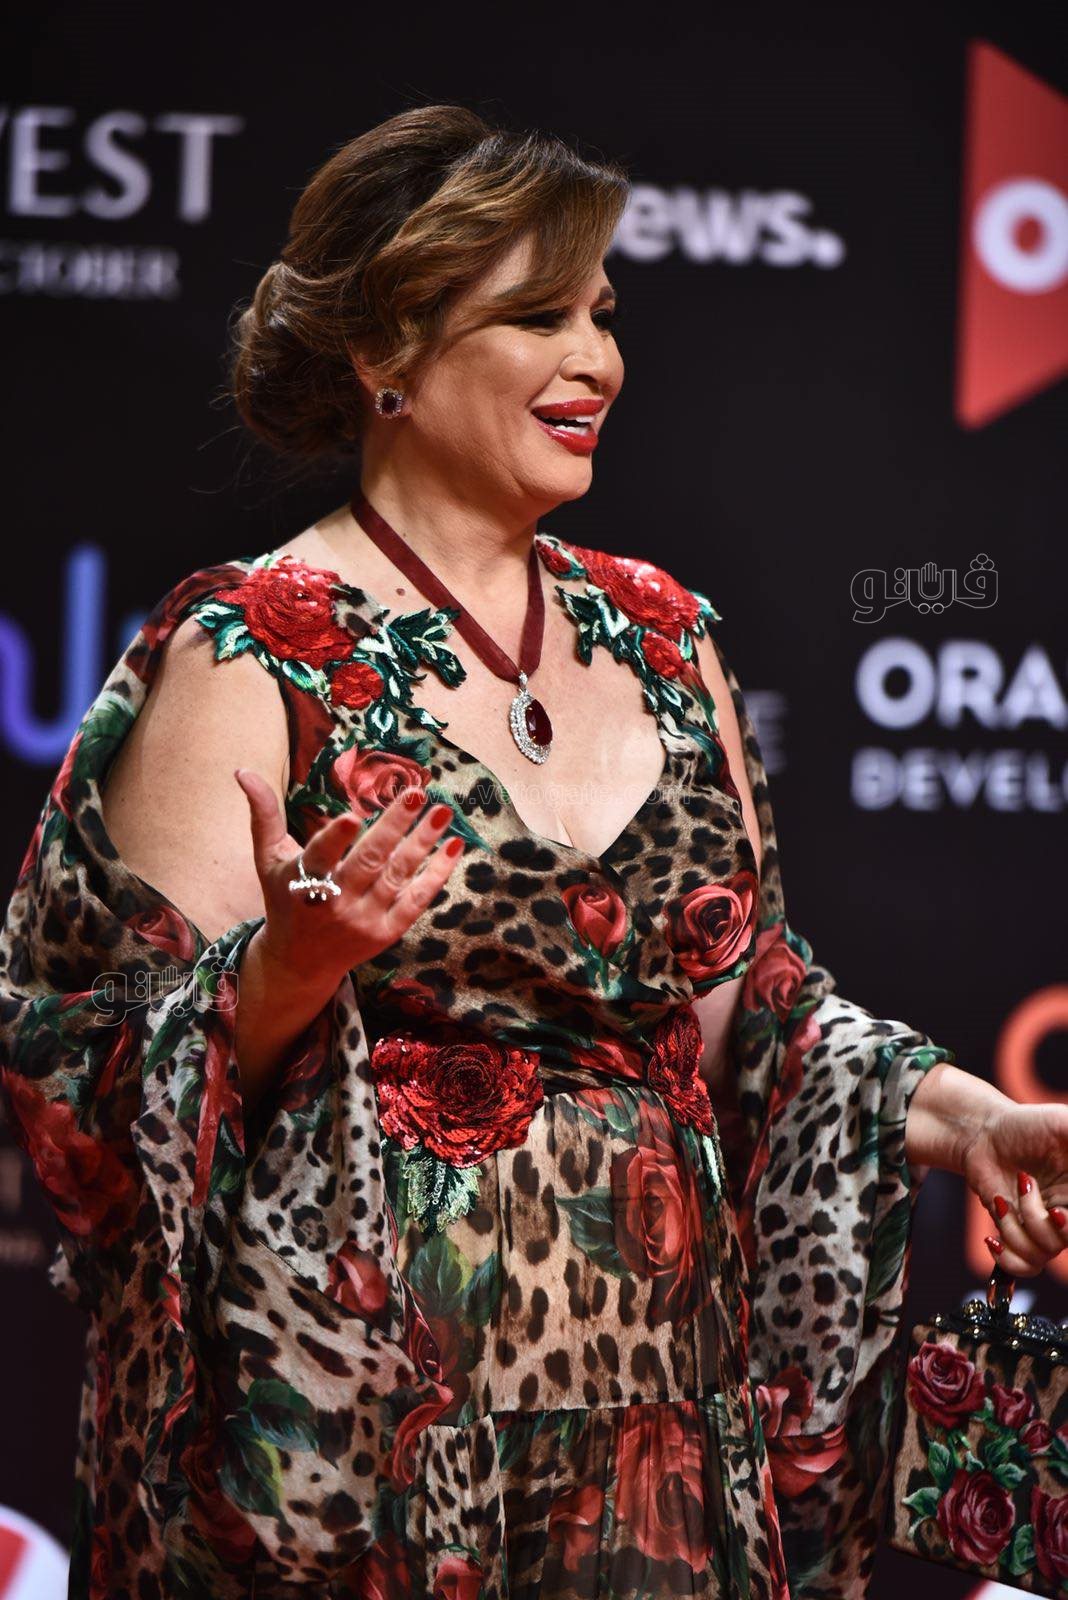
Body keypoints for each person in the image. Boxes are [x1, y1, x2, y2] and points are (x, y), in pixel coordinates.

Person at [2, 103, 1066, 1600]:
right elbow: (87, 1079)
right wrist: (291, 967)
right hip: (352, 1461)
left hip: (656, 1446)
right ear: (384, 353)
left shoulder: (665, 636)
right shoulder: (250, 648)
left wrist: (968, 1121)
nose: (597, 362)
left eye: (603, 316)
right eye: (538, 317)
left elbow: (749, 1015)